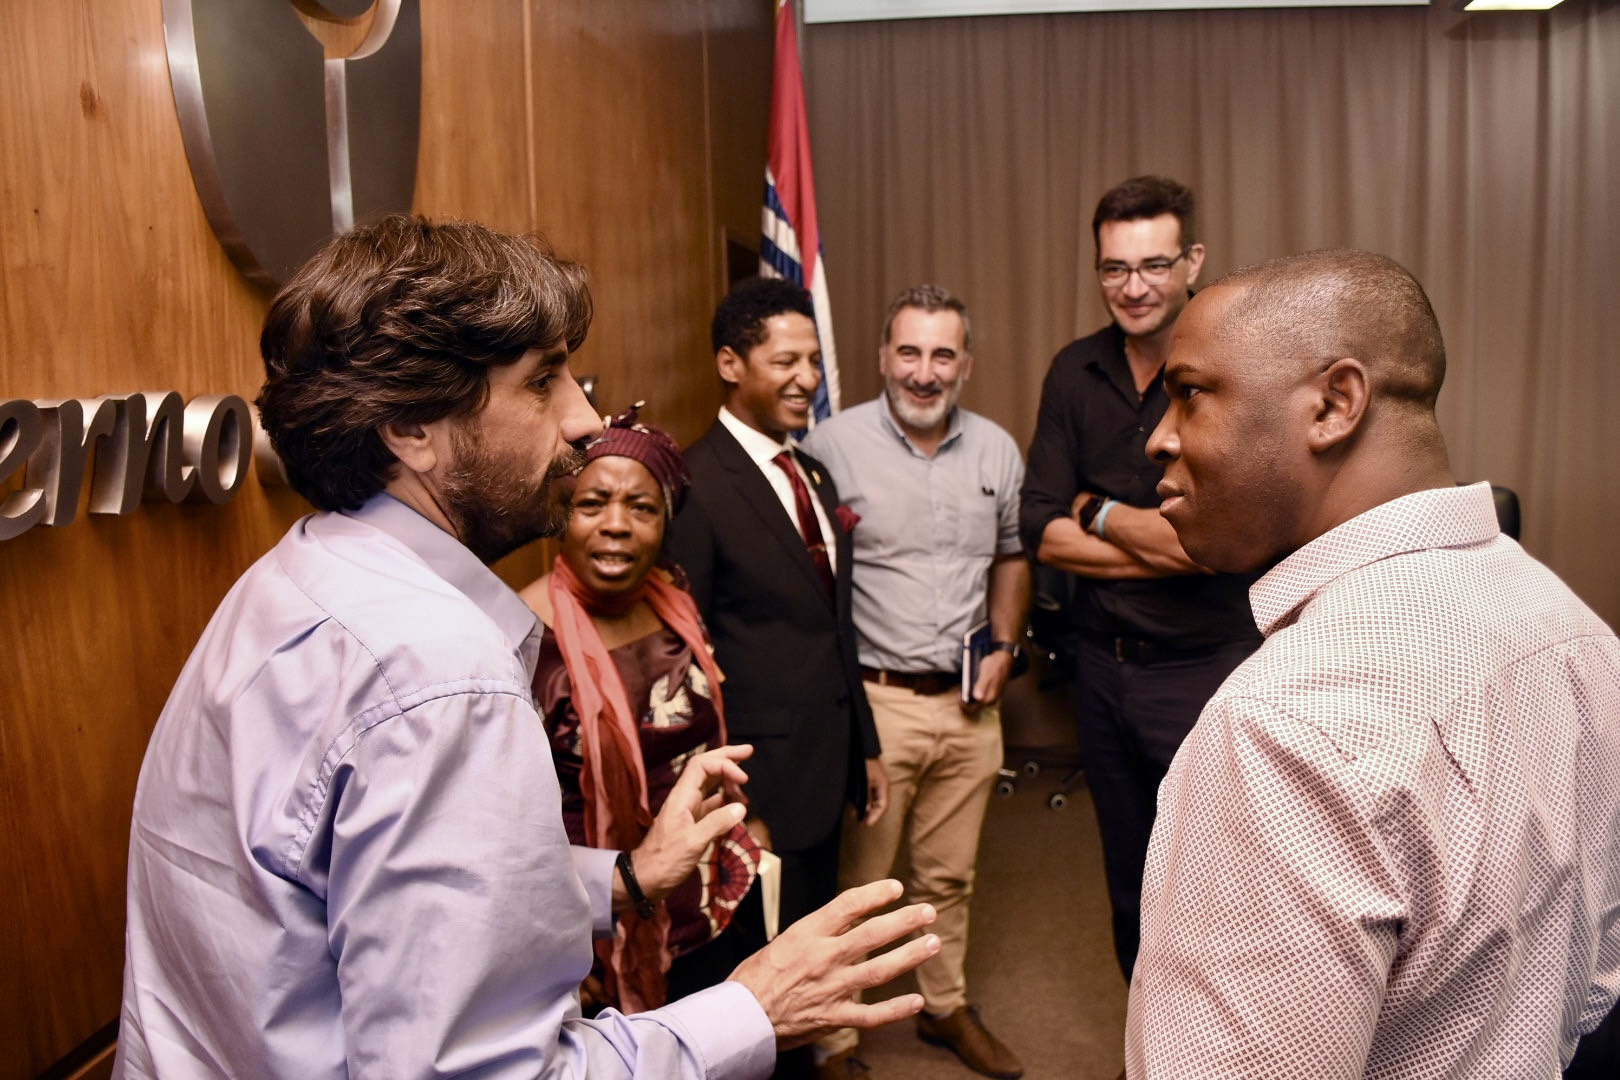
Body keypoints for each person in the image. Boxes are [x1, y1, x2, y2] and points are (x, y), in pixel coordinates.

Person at [113, 215, 940, 1079]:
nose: (586, 420)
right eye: (545, 381)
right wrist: (753, 1009)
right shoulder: (439, 678)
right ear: (411, 428)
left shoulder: (291, 579)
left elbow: (352, 899)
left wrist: (617, 877)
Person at [1126, 248, 1620, 1077]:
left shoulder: (1284, 728)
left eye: (1189, 394)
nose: (1159, 440)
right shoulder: (1574, 629)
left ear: (1334, 403)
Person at [1018, 175, 1260, 981]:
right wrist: (1153, 537)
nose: (1133, 287)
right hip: (1101, 670)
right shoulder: (1073, 371)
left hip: (1203, 667)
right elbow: (1037, 528)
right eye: (1114, 269)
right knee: (1128, 886)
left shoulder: (1230, 372)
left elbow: (1216, 548)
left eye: (1153, 265)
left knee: (1213, 888)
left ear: (1193, 259)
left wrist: (1096, 512)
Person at [803, 286, 1030, 1080]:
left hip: (970, 707)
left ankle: (944, 1007)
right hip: (876, 705)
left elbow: (1010, 555)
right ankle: (834, 1042)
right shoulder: (830, 447)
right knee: (860, 886)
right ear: (881, 358)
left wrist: (1005, 642)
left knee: (949, 878)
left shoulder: (998, 449)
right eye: (909, 352)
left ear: (965, 363)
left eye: (942, 355)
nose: (924, 373)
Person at [666, 276, 888, 1077]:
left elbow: (835, 627)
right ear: (730, 363)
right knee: (757, 972)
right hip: (756, 780)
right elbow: (686, 661)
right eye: (785, 360)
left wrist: (864, 743)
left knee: (811, 938)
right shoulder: (696, 484)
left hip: (825, 759)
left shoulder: (813, 475)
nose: (807, 378)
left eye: (814, 361)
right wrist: (730, 804)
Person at [520, 404, 761, 1016]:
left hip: (713, 896)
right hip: (595, 922)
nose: (617, 525)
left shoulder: (675, 601)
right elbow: (511, 828)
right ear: (562, 515)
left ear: (666, 520)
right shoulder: (518, 637)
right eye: (592, 504)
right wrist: (559, 950)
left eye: (642, 507)